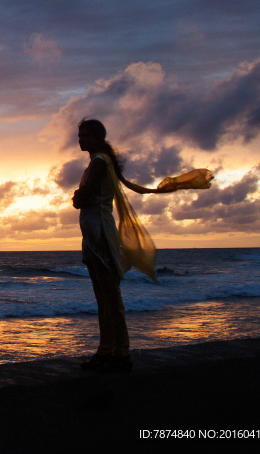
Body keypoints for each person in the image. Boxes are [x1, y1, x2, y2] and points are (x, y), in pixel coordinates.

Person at [71, 118, 211, 373]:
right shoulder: (99, 161)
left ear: (98, 138)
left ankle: (117, 352)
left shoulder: (100, 162)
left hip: (100, 234)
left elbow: (82, 198)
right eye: (79, 135)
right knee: (106, 296)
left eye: (86, 135)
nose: (80, 139)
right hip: (95, 234)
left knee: (108, 297)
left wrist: (77, 196)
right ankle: (111, 350)